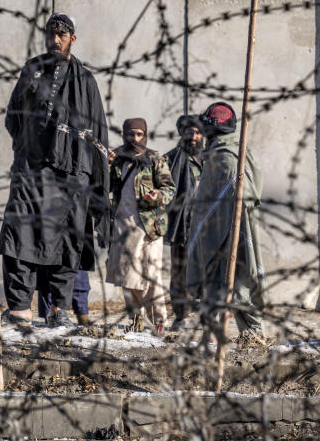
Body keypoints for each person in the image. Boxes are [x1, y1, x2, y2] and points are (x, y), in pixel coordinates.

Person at [0, 13, 110, 328]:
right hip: (32, 171)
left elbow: (96, 131)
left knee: (68, 238)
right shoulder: (31, 70)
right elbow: (14, 118)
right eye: (51, 34)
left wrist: (92, 175)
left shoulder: (85, 80)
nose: (55, 39)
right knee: (20, 233)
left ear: (72, 39)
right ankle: (20, 308)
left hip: (71, 173)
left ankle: (58, 309)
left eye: (62, 34)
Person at [186, 102, 267, 340]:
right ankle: (210, 340)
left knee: (239, 288)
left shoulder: (229, 158)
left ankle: (253, 339)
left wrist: (232, 226)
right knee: (212, 289)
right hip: (215, 234)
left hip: (234, 235)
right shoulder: (220, 154)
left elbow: (245, 197)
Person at [105, 118, 175, 333]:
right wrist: (106, 164)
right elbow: (106, 186)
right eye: (130, 134)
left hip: (149, 226)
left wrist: (158, 195)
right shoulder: (117, 158)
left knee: (150, 275)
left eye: (138, 134)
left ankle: (159, 322)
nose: (134, 138)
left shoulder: (155, 159)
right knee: (127, 275)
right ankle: (136, 319)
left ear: (144, 135)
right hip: (123, 225)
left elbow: (170, 189)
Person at [164, 114, 205, 329]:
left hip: (207, 226)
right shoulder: (171, 159)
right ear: (182, 133)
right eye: (190, 132)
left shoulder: (210, 159)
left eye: (198, 132)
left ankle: (207, 316)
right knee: (179, 271)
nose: (194, 137)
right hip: (182, 223)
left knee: (207, 270)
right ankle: (180, 316)